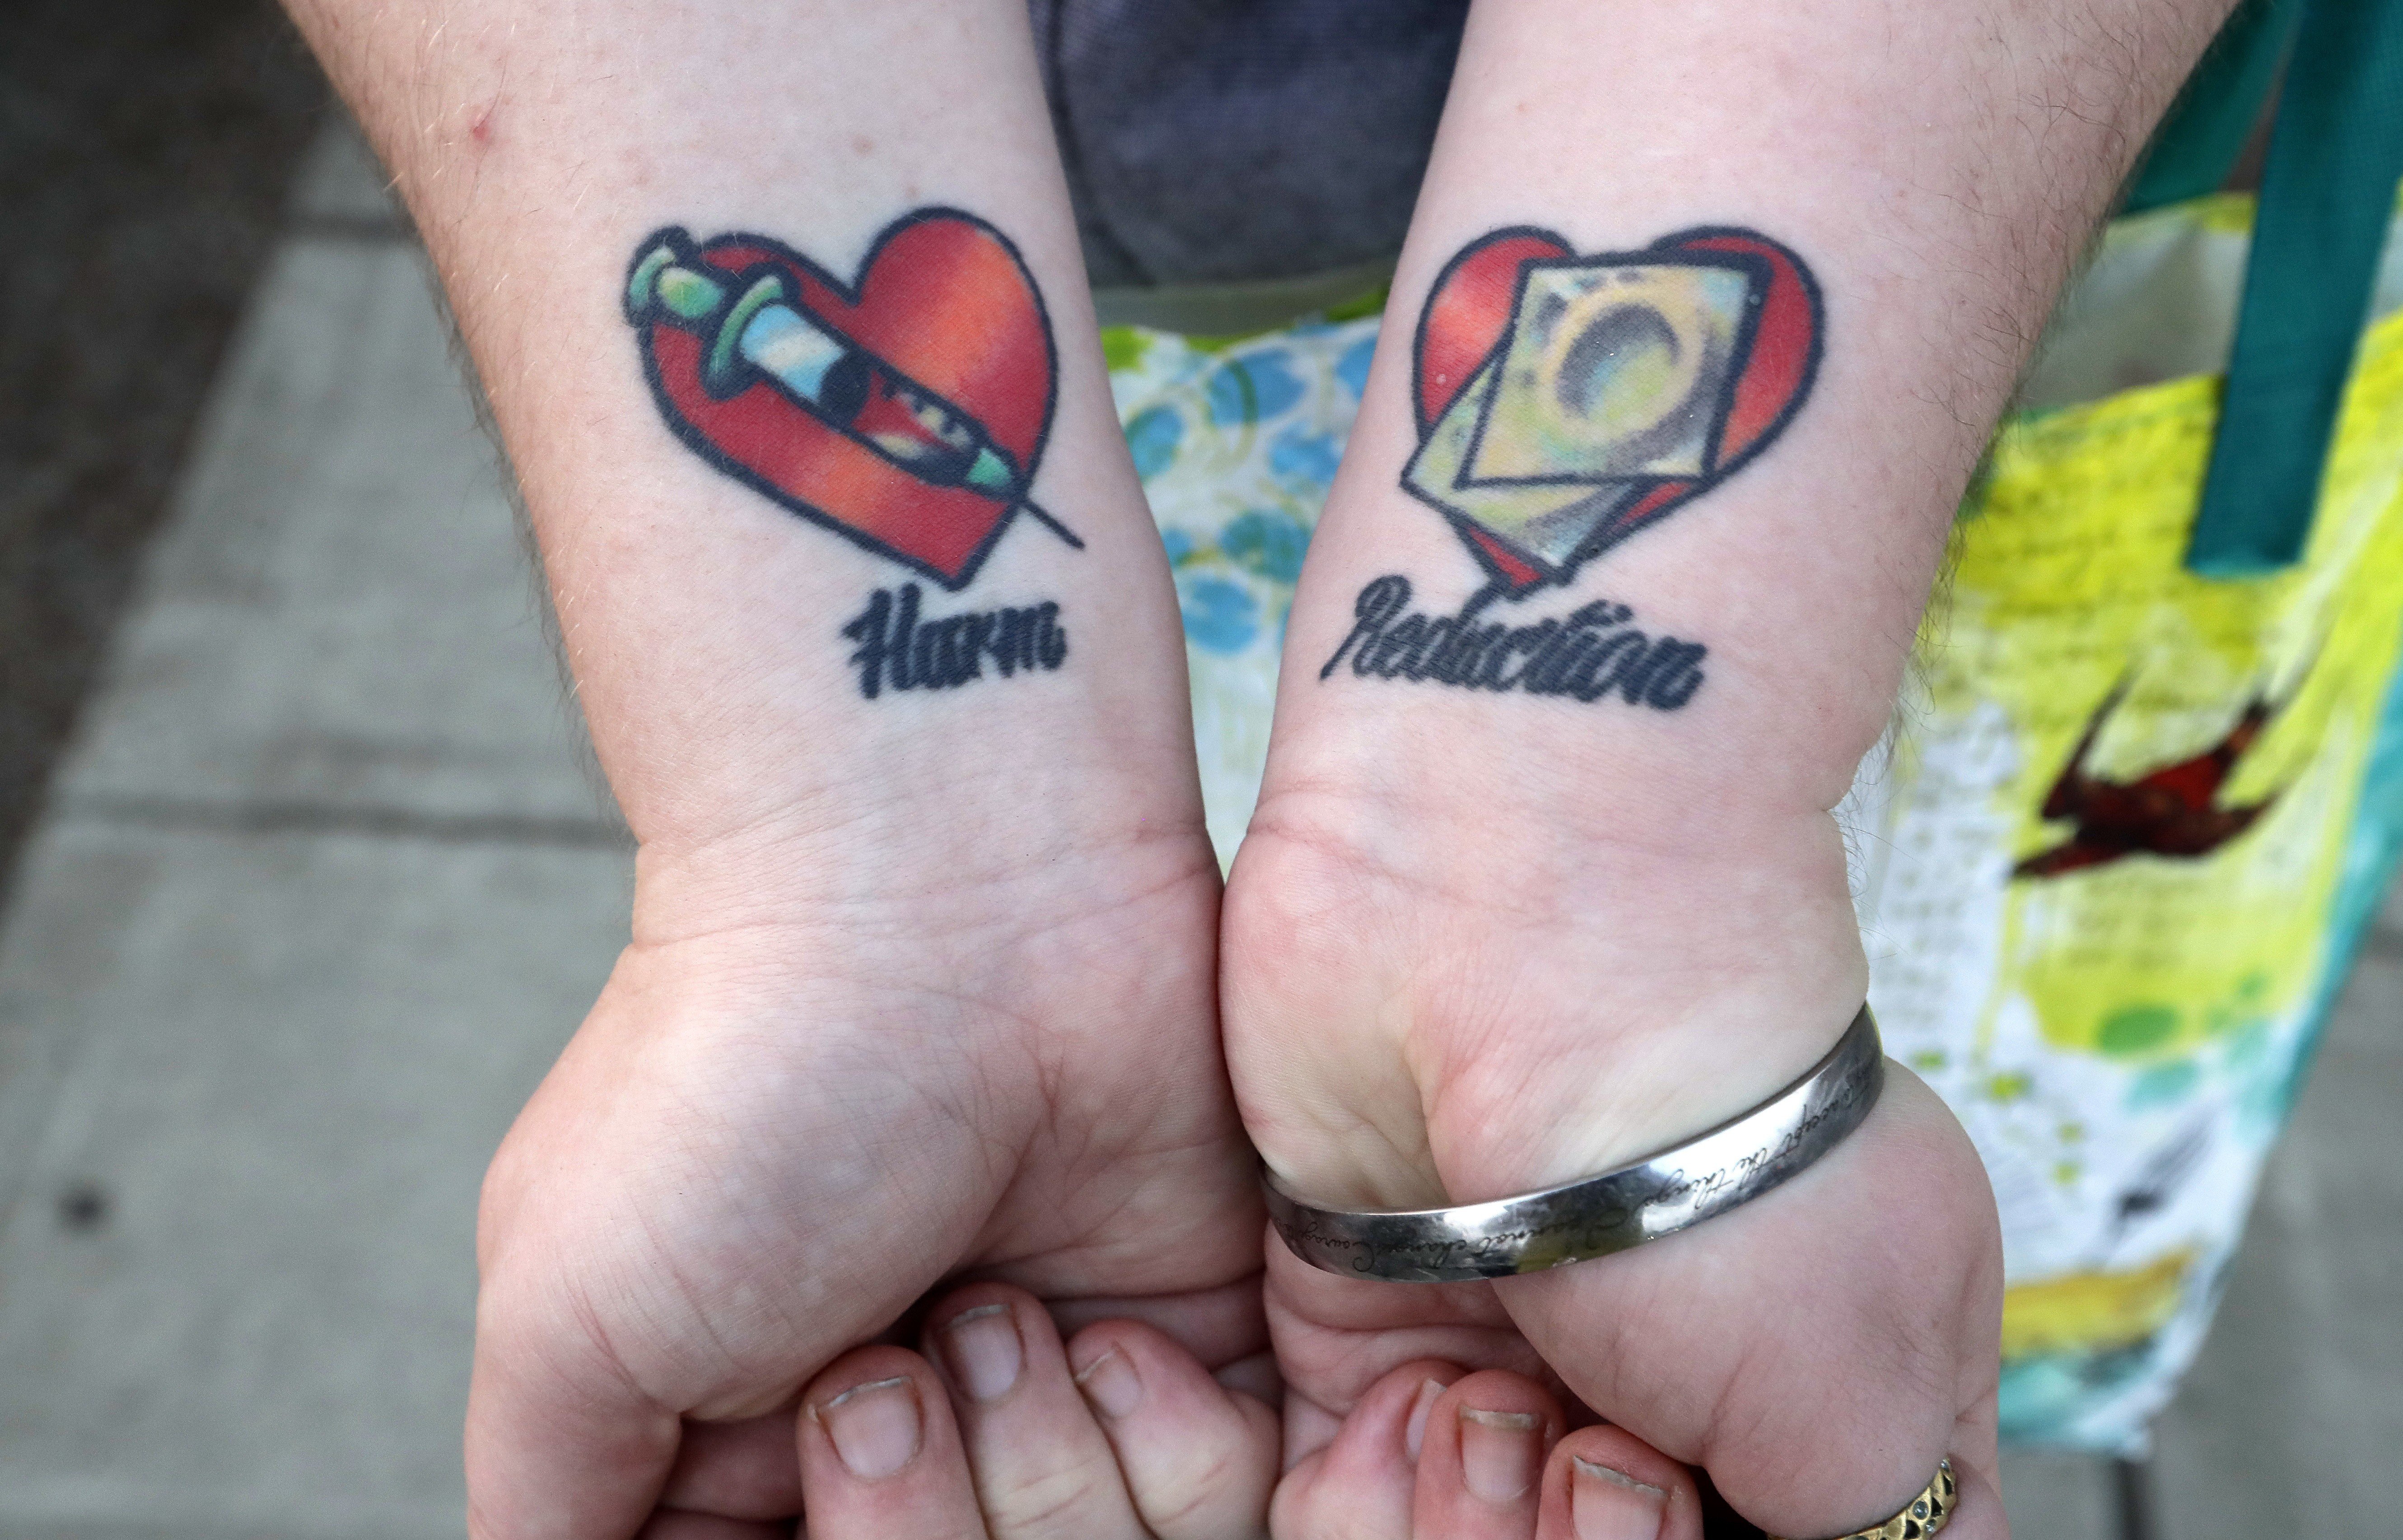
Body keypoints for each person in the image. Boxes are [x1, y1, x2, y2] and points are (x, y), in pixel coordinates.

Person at [275, 0, 2243, 1534]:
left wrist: (1598, 856)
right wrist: (874, 872)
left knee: (2005, 1037)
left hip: (1965, 297)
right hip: (1120, 415)